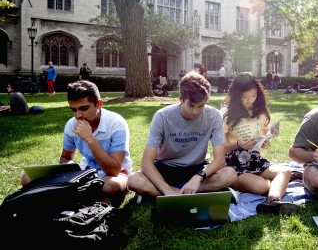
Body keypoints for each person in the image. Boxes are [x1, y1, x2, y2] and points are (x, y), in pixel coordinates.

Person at [127, 71, 237, 200]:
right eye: (191, 105)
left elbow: (219, 160)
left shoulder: (214, 116)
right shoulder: (162, 116)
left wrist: (197, 178)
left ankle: (174, 193)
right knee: (134, 180)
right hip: (166, 168)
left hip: (197, 168)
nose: (195, 111)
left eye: (201, 106)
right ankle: (177, 193)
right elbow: (146, 163)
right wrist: (167, 189)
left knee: (230, 174)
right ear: (181, 99)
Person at [21, 80, 132, 203]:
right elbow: (66, 157)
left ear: (99, 104)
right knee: (27, 179)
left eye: (84, 108)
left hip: (115, 174)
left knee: (108, 187)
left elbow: (114, 170)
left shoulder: (116, 123)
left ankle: (73, 196)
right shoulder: (71, 125)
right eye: (73, 110)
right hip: (86, 171)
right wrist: (66, 173)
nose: (78, 115)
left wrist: (89, 138)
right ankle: (83, 196)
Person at [220, 72, 301, 215]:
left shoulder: (260, 113)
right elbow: (217, 147)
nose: (249, 100)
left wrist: (265, 142)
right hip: (233, 164)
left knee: (285, 171)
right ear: (235, 95)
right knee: (262, 186)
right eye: (244, 97)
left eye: (253, 96)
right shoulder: (227, 112)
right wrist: (237, 144)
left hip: (255, 159)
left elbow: (263, 136)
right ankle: (272, 187)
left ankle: (273, 201)